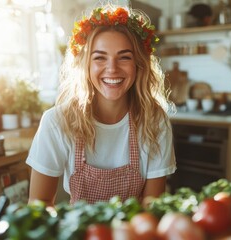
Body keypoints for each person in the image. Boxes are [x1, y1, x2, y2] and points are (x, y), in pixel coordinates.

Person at [26, 3, 176, 206]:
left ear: (138, 64)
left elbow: (152, 203)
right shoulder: (57, 122)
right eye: (100, 58)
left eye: (124, 57)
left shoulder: (155, 121)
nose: (112, 69)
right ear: (85, 65)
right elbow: (39, 203)